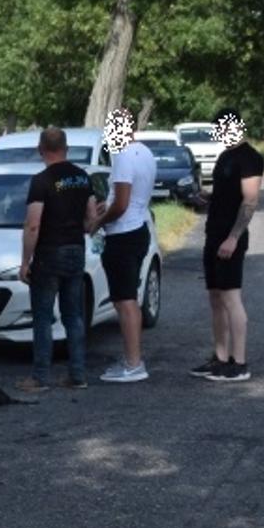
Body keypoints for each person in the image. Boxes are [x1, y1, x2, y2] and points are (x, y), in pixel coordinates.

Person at [17, 128, 101, 392]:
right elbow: (90, 220)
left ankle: (40, 377)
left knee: (42, 317)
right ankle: (77, 375)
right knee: (73, 315)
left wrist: (25, 261)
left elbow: (33, 225)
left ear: (41, 149)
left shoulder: (40, 181)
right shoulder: (82, 177)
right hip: (76, 250)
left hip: (49, 254)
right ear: (66, 148)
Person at [190, 108, 264, 383]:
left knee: (231, 298)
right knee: (215, 298)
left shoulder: (250, 159)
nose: (218, 134)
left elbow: (250, 201)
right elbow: (226, 195)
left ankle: (239, 362)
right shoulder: (225, 156)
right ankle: (220, 358)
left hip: (231, 238)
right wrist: (207, 198)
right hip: (213, 233)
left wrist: (233, 237)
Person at [90, 108, 156, 384]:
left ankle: (133, 363)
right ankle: (132, 358)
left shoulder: (123, 157)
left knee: (125, 300)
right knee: (128, 298)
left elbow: (121, 203)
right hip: (138, 227)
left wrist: (98, 221)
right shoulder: (145, 153)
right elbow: (128, 197)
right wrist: (111, 205)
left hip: (123, 234)